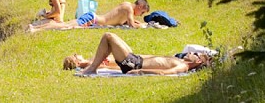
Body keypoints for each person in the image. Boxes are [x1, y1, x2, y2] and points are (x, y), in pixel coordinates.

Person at [65, 32, 212, 75]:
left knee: (108, 37)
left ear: (198, 62)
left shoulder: (183, 67)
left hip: (134, 64)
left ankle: (91, 69)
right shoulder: (179, 60)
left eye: (196, 54)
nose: (192, 53)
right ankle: (92, 66)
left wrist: (140, 71)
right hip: (135, 59)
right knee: (110, 43)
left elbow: (163, 73)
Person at [29, 0, 150, 32]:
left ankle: (36, 27)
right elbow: (132, 25)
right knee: (64, 26)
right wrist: (144, 27)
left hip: (92, 17)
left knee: (65, 24)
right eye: (142, 12)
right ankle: (35, 29)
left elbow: (130, 21)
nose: (140, 15)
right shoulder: (129, 8)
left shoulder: (127, 5)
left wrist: (141, 23)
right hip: (92, 20)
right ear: (139, 7)